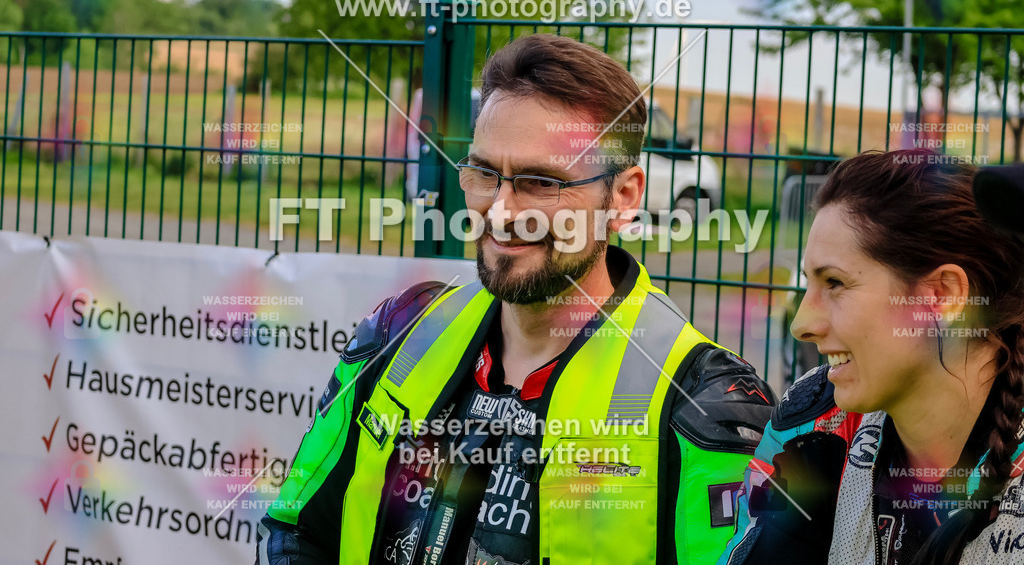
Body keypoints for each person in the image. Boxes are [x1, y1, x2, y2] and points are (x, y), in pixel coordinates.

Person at [256, 33, 776, 564]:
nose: (501, 211)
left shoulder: (706, 403)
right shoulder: (398, 330)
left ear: (622, 198)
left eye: (541, 182)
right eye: (485, 173)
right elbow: (296, 530)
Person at [718, 148, 1024, 565]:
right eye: (809, 283)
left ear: (941, 296)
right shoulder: (812, 420)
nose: (801, 324)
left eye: (835, 283)